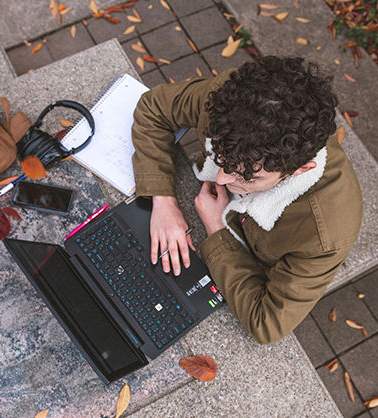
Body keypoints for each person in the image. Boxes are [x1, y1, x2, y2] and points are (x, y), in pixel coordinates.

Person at [130, 56, 363, 345]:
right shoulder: (233, 102)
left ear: (300, 169)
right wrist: (163, 201)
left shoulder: (327, 232)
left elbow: (266, 324)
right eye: (221, 158)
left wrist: (216, 229)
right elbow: (153, 107)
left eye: (248, 177)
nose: (223, 179)